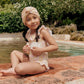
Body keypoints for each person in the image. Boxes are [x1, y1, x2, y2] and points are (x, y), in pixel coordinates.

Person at [0, 6, 58, 76]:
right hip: (31, 60)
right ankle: (14, 69)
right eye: (28, 20)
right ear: (25, 23)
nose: (33, 21)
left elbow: (55, 46)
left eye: (34, 18)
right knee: (14, 53)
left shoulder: (42, 31)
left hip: (40, 64)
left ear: (38, 18)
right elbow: (30, 49)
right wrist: (26, 50)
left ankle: (16, 69)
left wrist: (41, 50)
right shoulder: (28, 34)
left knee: (19, 68)